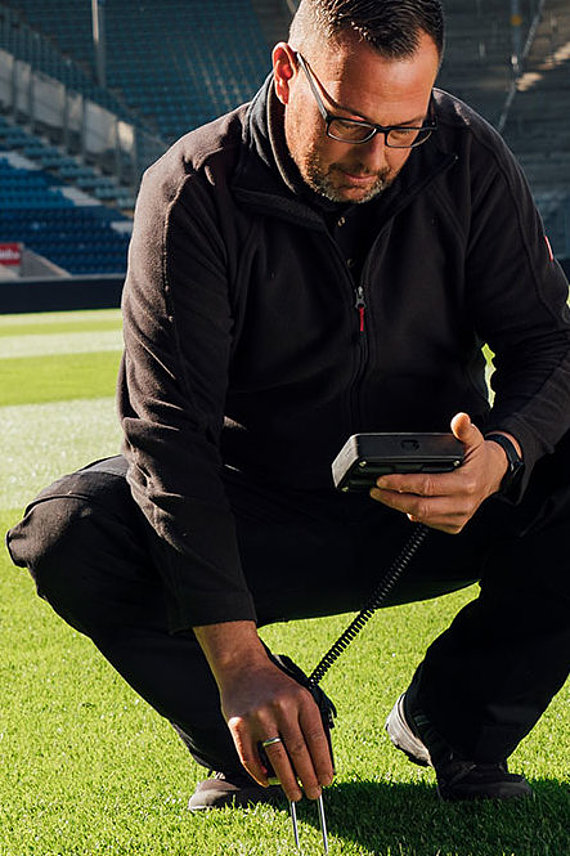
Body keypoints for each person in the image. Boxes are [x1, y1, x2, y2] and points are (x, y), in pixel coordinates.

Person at [6, 0, 570, 811]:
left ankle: (457, 722)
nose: (376, 157)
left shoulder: (467, 154)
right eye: (347, 122)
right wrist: (236, 663)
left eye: (403, 127)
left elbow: (548, 347)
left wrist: (501, 457)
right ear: (284, 71)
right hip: (256, 519)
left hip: (432, 504)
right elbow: (170, 441)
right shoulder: (191, 192)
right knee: (69, 532)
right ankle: (260, 748)